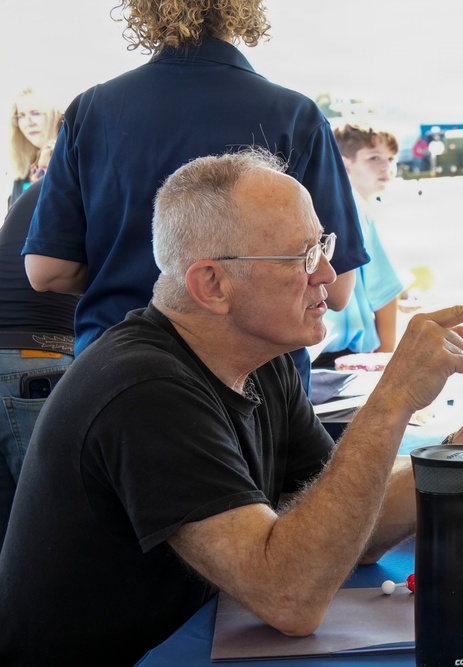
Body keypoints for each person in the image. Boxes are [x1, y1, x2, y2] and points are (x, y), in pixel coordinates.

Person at [0, 149, 463, 666]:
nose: (328, 273)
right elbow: (292, 597)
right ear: (213, 286)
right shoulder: (144, 389)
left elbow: (350, 529)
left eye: (322, 245)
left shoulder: (260, 358)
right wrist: (393, 398)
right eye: (304, 256)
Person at [22, 0, 367, 396]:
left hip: (115, 378)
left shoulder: (91, 110)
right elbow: (336, 288)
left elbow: (47, 270)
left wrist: (131, 269)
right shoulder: (294, 115)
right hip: (258, 391)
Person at [0, 177, 79, 547]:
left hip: (17, 360)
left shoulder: (45, 192)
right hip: (36, 360)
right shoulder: (91, 186)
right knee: (56, 530)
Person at [313, 123, 405, 365]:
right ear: (345, 163)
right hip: (347, 358)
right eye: (374, 158)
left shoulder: (313, 202)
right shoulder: (355, 209)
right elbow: (385, 294)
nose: (387, 166)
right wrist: (385, 362)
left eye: (391, 158)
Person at [7, 88, 62, 210]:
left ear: (54, 115)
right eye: (21, 116)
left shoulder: (70, 161)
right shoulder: (23, 171)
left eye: (35, 113)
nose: (28, 122)